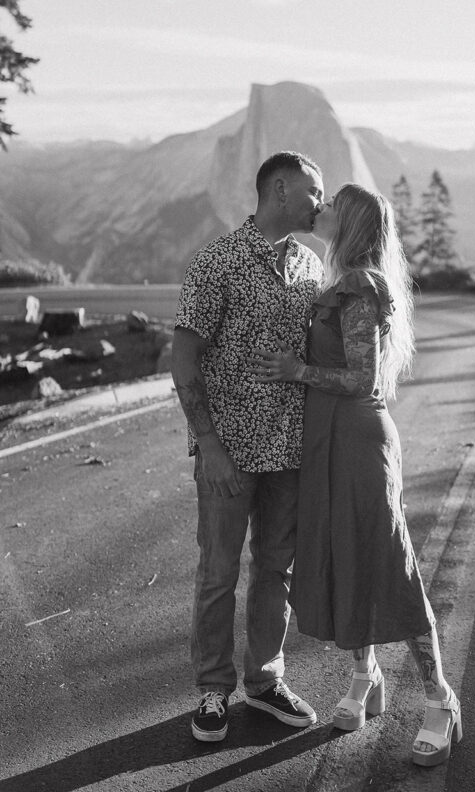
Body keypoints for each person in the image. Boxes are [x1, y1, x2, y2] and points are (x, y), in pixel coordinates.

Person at [248, 183, 463, 768]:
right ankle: (365, 678)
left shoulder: (363, 287)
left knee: (388, 563)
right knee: (344, 557)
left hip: (358, 440)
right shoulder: (340, 280)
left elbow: (364, 381)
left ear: (350, 226)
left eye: (332, 208)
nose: (320, 211)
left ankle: (440, 700)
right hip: (329, 441)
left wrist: (298, 369)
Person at [171, 150, 325, 743]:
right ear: (280, 190)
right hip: (228, 454)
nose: (321, 203)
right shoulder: (219, 263)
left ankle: (265, 680)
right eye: (314, 192)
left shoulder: (311, 267)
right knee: (218, 572)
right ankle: (213, 690)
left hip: (289, 450)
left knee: (275, 570)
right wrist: (208, 445)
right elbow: (183, 363)